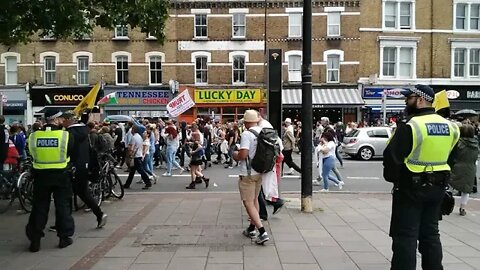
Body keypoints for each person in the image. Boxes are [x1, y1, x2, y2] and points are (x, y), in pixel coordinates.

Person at [383, 84, 460, 270]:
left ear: (420, 100)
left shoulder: (411, 126)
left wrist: (396, 180)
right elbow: (452, 159)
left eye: (408, 98)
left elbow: (392, 158)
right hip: (438, 189)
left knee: (406, 237)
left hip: (410, 188)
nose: (405, 102)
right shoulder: (451, 127)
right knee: (431, 234)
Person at [25, 109, 75, 252]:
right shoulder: (65, 135)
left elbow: (31, 154)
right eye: (61, 118)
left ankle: (35, 239)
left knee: (39, 207)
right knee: (63, 206)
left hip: (41, 175)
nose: (62, 121)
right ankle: (64, 238)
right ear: (56, 120)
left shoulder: (34, 136)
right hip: (61, 174)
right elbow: (70, 152)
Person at [62, 112, 107, 229]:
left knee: (65, 195)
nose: (61, 122)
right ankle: (99, 214)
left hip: (71, 167)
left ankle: (62, 223)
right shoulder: (85, 132)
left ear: (67, 120)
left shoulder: (68, 134)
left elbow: (67, 151)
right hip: (83, 167)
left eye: (62, 119)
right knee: (83, 193)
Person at [233, 109, 269, 245]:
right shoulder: (262, 132)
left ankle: (262, 231)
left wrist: (235, 154)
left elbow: (243, 154)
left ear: (247, 122)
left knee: (248, 203)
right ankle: (252, 228)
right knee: (254, 201)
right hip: (259, 171)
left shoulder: (247, 134)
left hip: (247, 173)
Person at [449, 123, 478, 216]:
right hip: (470, 167)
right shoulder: (476, 144)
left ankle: (446, 203)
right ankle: (462, 208)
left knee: (450, 184)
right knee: (466, 190)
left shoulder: (458, 143)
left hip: (457, 166)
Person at [123, 125, 152, 190]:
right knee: (132, 172)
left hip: (135, 156)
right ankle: (127, 184)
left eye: (132, 129)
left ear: (134, 130)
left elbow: (131, 147)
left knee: (141, 171)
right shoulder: (139, 137)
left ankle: (148, 182)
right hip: (139, 155)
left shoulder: (134, 138)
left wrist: (129, 153)